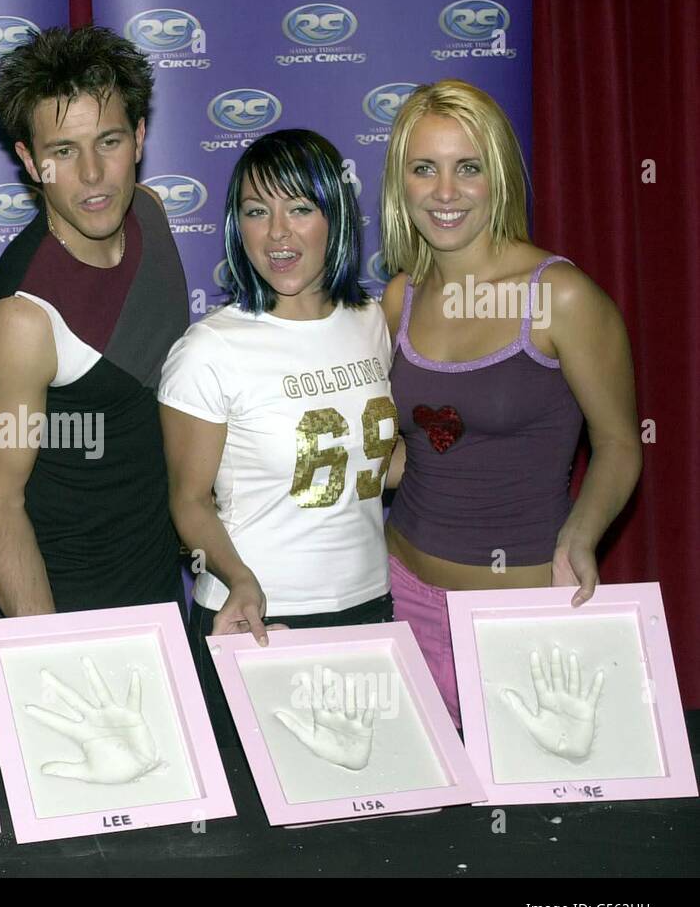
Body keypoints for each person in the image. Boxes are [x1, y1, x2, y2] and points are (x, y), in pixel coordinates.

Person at [380, 80, 640, 724]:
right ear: (400, 183)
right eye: (424, 169)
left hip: (518, 616)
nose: (444, 192)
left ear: (496, 176)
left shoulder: (561, 297)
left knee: (522, 822)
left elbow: (618, 444)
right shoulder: (398, 298)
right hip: (398, 596)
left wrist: (580, 536)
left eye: (467, 167)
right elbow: (409, 452)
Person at [159, 129, 398, 744]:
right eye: (256, 211)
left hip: (369, 607)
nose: (277, 234)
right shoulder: (209, 349)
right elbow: (189, 500)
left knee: (366, 814)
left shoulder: (372, 322)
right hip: (258, 616)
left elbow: (376, 465)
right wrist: (239, 579)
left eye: (299, 208)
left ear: (335, 217)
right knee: (256, 825)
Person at [0, 25, 188, 617]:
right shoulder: (21, 320)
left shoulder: (151, 215)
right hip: (71, 606)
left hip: (166, 589)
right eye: (64, 150)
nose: (92, 174)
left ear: (139, 138)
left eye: (108, 141)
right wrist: (50, 650)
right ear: (31, 162)